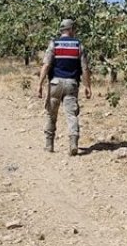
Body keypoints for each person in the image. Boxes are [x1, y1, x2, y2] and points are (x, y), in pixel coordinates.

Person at [35, 18, 92, 156]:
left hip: (55, 83)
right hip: (71, 84)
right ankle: (73, 144)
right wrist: (87, 86)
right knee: (71, 115)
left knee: (51, 114)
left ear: (62, 30)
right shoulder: (79, 45)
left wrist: (40, 84)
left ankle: (49, 145)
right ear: (71, 29)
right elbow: (84, 68)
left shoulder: (54, 44)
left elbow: (46, 65)